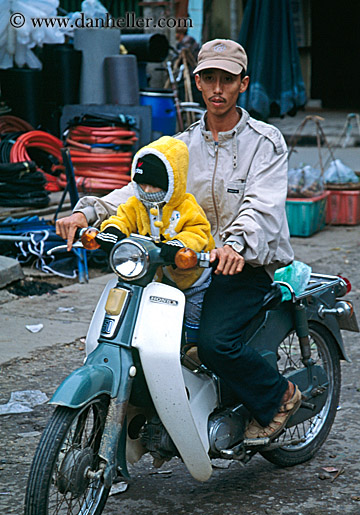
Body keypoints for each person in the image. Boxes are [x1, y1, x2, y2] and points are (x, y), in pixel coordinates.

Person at [56, 38, 301, 441]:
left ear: (244, 83)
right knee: (135, 336)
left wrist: (235, 245)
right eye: (209, 79)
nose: (217, 89)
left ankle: (279, 395)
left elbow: (262, 205)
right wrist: (89, 211)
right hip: (182, 264)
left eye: (227, 79)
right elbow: (140, 191)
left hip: (242, 266)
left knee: (213, 344)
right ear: (197, 83)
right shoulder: (182, 145)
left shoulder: (265, 141)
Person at [95, 135, 214, 332]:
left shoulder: (186, 206)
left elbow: (198, 231)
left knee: (193, 313)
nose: (147, 191)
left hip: (191, 278)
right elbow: (122, 218)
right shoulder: (136, 204)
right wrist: (112, 231)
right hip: (151, 276)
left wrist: (178, 244)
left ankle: (192, 349)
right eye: (142, 184)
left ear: (172, 182)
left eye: (155, 185)